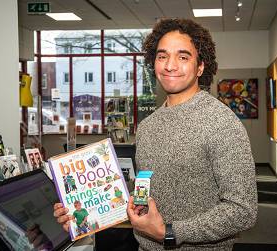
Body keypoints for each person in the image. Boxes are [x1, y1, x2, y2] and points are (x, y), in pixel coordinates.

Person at [54, 18, 257, 251]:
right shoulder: (148, 126)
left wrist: (169, 232)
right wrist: (81, 207)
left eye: (183, 57)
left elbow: (243, 210)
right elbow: (146, 191)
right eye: (162, 56)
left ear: (201, 66)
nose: (170, 65)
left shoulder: (221, 122)